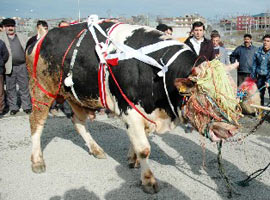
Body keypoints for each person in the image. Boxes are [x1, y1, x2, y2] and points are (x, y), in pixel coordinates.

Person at [0, 18, 32, 115]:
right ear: (4, 28)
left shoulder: (22, 37)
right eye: (8, 26)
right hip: (9, 67)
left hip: (22, 66)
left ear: (15, 27)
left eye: (12, 26)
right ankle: (13, 107)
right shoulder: (1, 38)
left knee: (24, 87)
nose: (10, 28)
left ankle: (27, 106)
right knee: (10, 88)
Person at [251, 34, 270, 106]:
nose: (266, 42)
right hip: (260, 77)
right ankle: (260, 112)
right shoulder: (258, 51)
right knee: (259, 95)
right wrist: (253, 76)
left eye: (268, 41)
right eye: (264, 40)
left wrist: (268, 81)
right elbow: (254, 64)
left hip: (269, 77)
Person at [0, 39, 9, 117]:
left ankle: (0, 110)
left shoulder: (1, 43)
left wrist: (1, 63)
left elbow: (5, 55)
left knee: (0, 92)